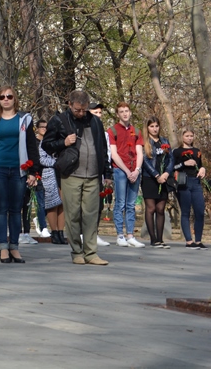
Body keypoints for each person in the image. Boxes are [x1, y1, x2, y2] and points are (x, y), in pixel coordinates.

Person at [41, 90, 111, 265]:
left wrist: (107, 173)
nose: (81, 113)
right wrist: (63, 143)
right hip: (71, 174)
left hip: (93, 175)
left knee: (91, 215)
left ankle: (91, 252)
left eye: (84, 110)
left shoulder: (95, 122)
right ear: (69, 104)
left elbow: (103, 148)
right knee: (73, 215)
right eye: (77, 110)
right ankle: (77, 251)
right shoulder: (59, 120)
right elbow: (46, 145)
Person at [0, 86, 40, 263]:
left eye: (9, 96)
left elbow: (32, 145)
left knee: (16, 209)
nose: (6, 99)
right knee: (0, 209)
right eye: (2, 97)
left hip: (19, 169)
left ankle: (14, 247)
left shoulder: (25, 119)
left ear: (15, 98)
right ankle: (3, 248)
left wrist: (33, 172)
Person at [107, 102, 144, 248]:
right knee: (120, 203)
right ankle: (120, 235)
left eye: (127, 111)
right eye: (121, 111)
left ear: (130, 113)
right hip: (120, 170)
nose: (125, 114)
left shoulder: (136, 131)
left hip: (134, 170)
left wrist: (137, 170)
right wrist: (127, 171)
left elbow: (139, 152)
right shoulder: (113, 130)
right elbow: (114, 154)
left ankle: (130, 235)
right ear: (117, 114)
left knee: (131, 204)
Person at [140, 117, 173, 248]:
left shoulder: (164, 141)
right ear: (147, 128)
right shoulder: (145, 142)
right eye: (152, 126)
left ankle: (160, 239)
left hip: (164, 179)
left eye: (156, 126)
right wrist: (156, 174)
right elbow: (145, 161)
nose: (154, 129)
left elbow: (171, 159)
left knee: (160, 209)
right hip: (149, 178)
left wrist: (166, 173)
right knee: (151, 208)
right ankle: (153, 239)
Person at [173, 127, 206, 249]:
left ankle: (198, 240)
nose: (189, 138)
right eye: (187, 136)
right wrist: (184, 164)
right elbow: (172, 167)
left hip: (196, 182)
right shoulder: (176, 151)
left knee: (199, 211)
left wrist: (203, 169)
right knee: (185, 212)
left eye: (191, 135)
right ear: (182, 137)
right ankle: (189, 241)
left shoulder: (197, 151)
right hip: (183, 182)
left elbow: (200, 165)